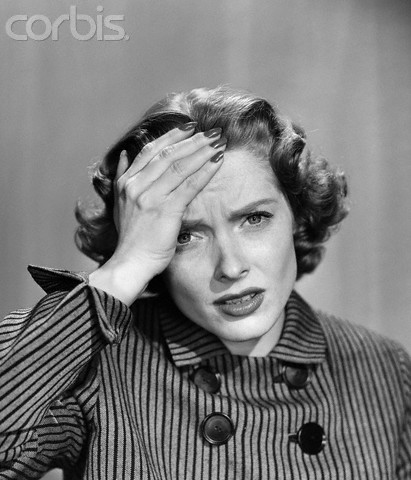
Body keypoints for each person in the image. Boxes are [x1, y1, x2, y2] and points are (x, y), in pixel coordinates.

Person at [0, 86, 410, 480]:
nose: (230, 267)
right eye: (186, 235)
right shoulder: (98, 368)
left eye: (254, 219)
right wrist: (125, 267)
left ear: (297, 217)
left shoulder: (381, 370)